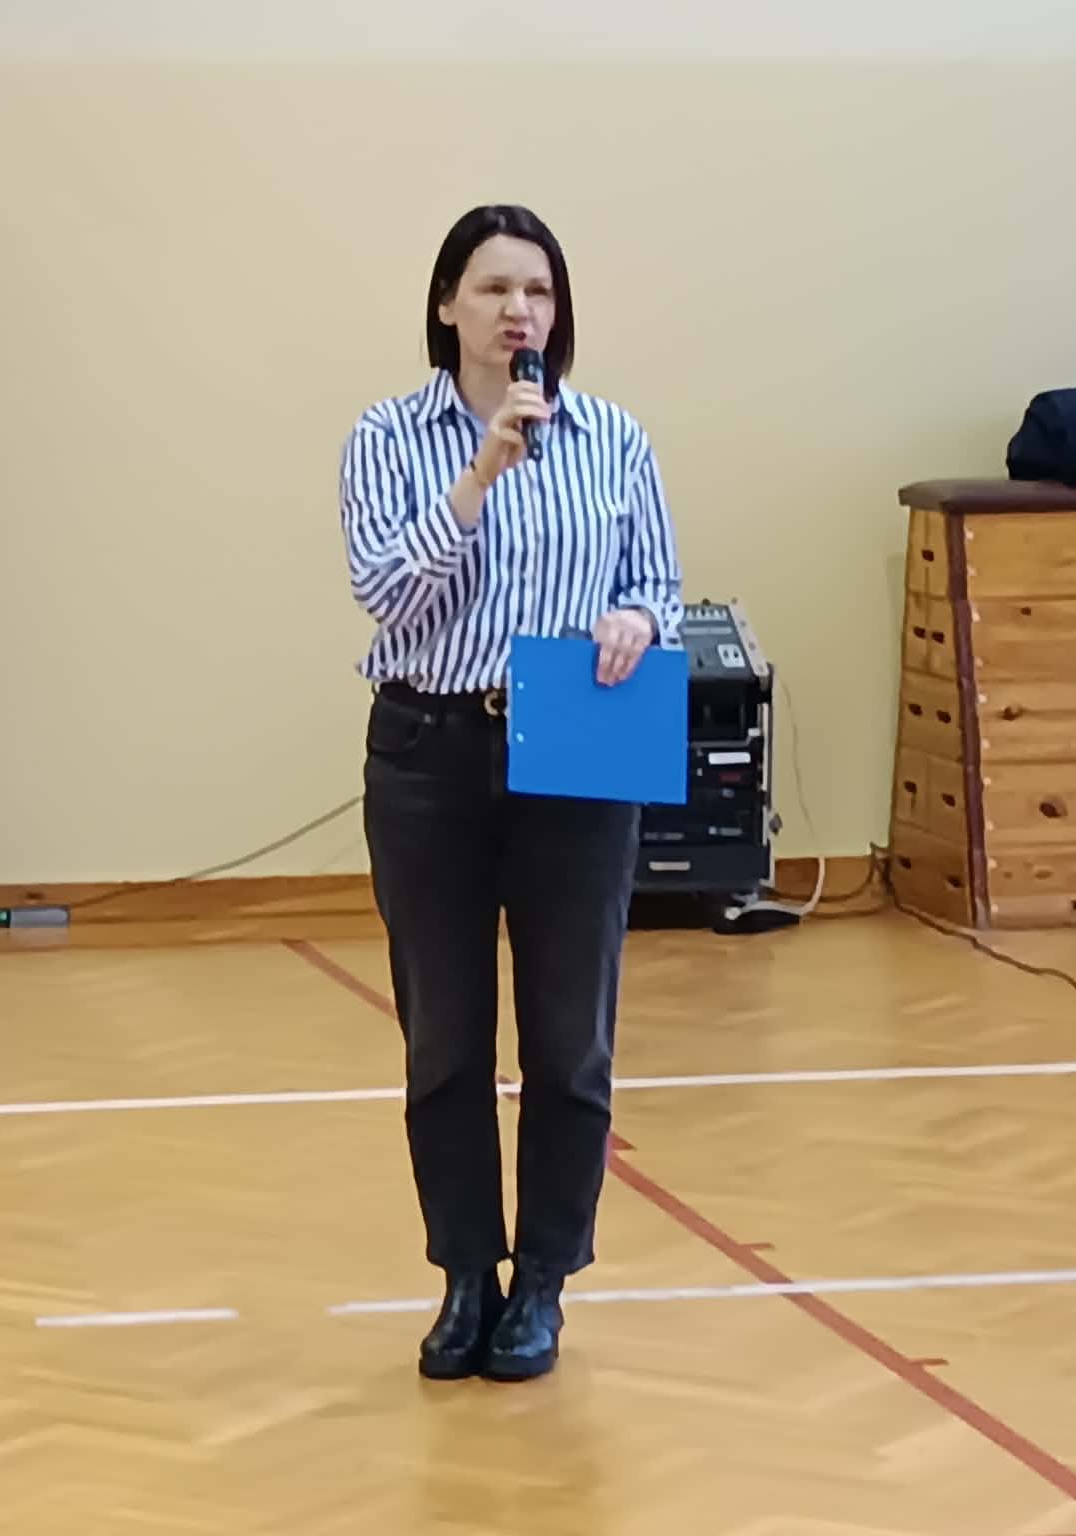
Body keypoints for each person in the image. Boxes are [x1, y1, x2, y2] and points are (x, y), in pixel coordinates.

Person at [337, 204, 682, 1383]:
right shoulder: (387, 437)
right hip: (428, 751)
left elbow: (656, 583)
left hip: (575, 745)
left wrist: (636, 619)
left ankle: (542, 1281)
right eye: (491, 289)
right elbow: (385, 592)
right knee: (443, 1037)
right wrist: (480, 472)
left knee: (569, 1038)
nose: (516, 311)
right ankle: (462, 1276)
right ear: (447, 306)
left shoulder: (612, 438)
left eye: (535, 290)